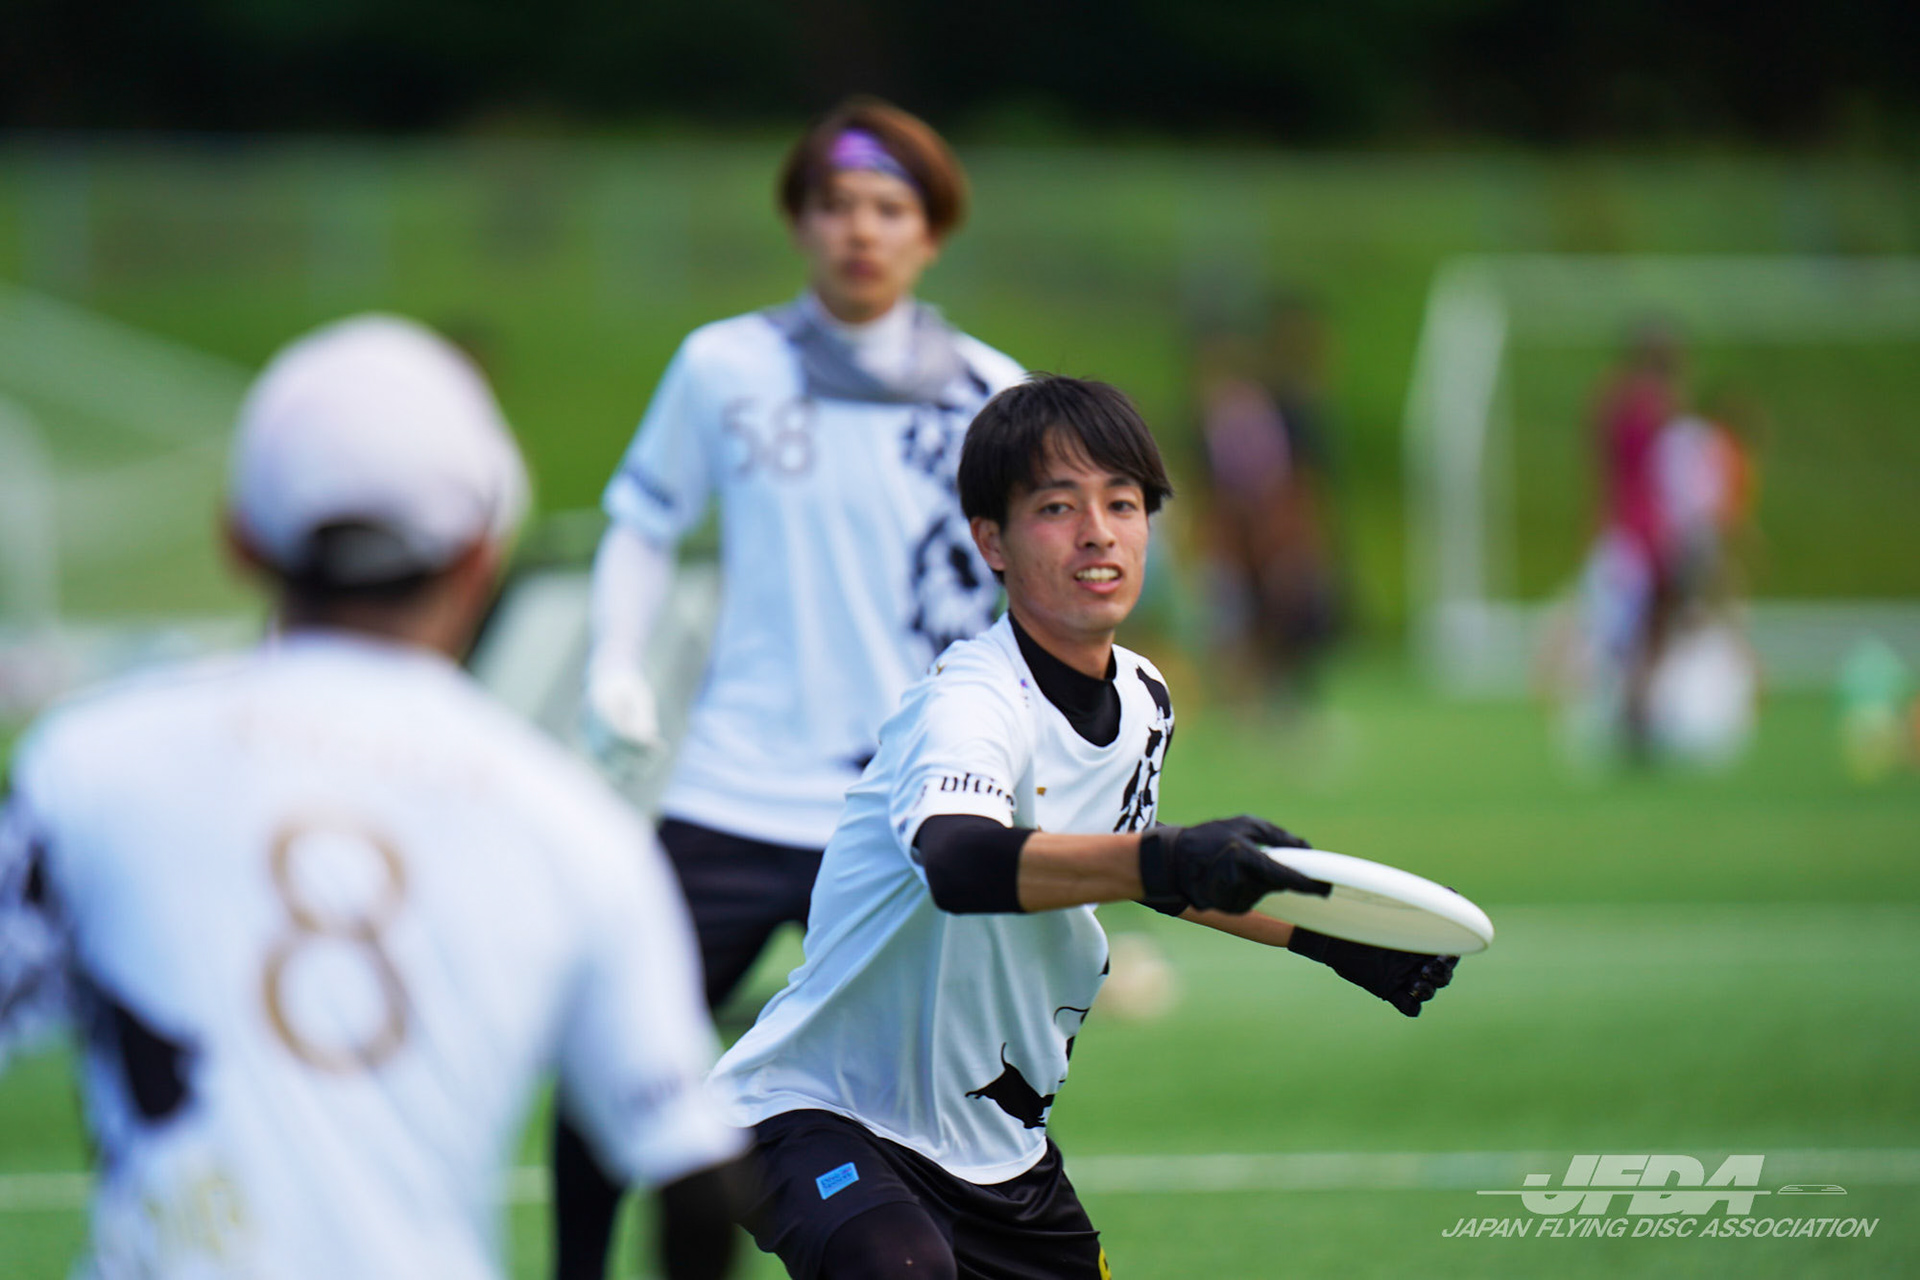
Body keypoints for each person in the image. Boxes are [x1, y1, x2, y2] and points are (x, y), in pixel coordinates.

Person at [0, 316, 748, 1280]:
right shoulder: (569, 822)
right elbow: (696, 1177)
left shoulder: (86, 767)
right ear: (481, 555)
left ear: (240, 540)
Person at [708, 375, 1460, 1279]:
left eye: (1124, 504)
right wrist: (1167, 856)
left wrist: (1336, 938)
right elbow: (962, 861)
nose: (1098, 532)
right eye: (1058, 507)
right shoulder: (969, 704)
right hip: (816, 1110)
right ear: (991, 540)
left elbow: (1137, 871)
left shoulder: (1144, 698)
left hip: (997, 1149)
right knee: (898, 1267)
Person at [559, 97, 1024, 1273]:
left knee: (926, 1101)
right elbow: (643, 519)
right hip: (731, 788)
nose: (860, 230)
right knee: (613, 1057)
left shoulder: (991, 393)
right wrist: (616, 662)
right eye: (835, 205)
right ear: (799, 223)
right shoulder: (725, 366)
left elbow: (1026, 599)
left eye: (889, 208)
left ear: (932, 231)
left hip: (898, 814)